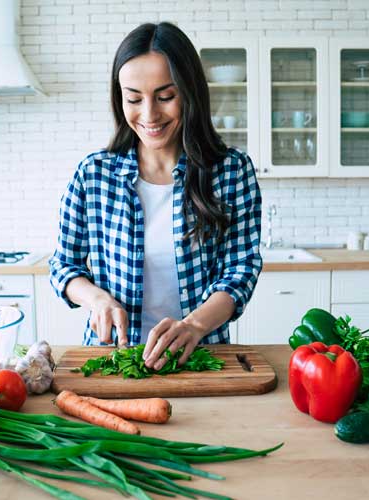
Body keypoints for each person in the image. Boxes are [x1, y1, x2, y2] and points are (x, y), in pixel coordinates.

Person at [49, 21, 262, 371]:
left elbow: (240, 270)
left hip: (200, 358)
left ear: (190, 92)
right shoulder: (93, 174)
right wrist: (96, 299)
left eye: (165, 97)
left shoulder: (231, 171)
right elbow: (63, 265)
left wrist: (194, 325)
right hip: (112, 360)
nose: (149, 115)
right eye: (134, 98)